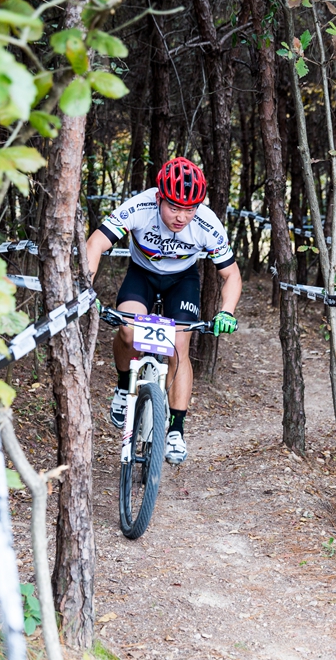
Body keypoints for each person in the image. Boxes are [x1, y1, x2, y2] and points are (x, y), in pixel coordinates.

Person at [86, 157, 242, 465]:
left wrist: (227, 311)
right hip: (141, 274)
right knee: (128, 331)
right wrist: (84, 288)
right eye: (174, 207)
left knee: (178, 346)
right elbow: (95, 244)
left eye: (190, 209)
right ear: (159, 198)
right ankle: (122, 387)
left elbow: (232, 275)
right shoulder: (140, 207)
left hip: (182, 281)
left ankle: (176, 429)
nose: (182, 217)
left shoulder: (207, 223)